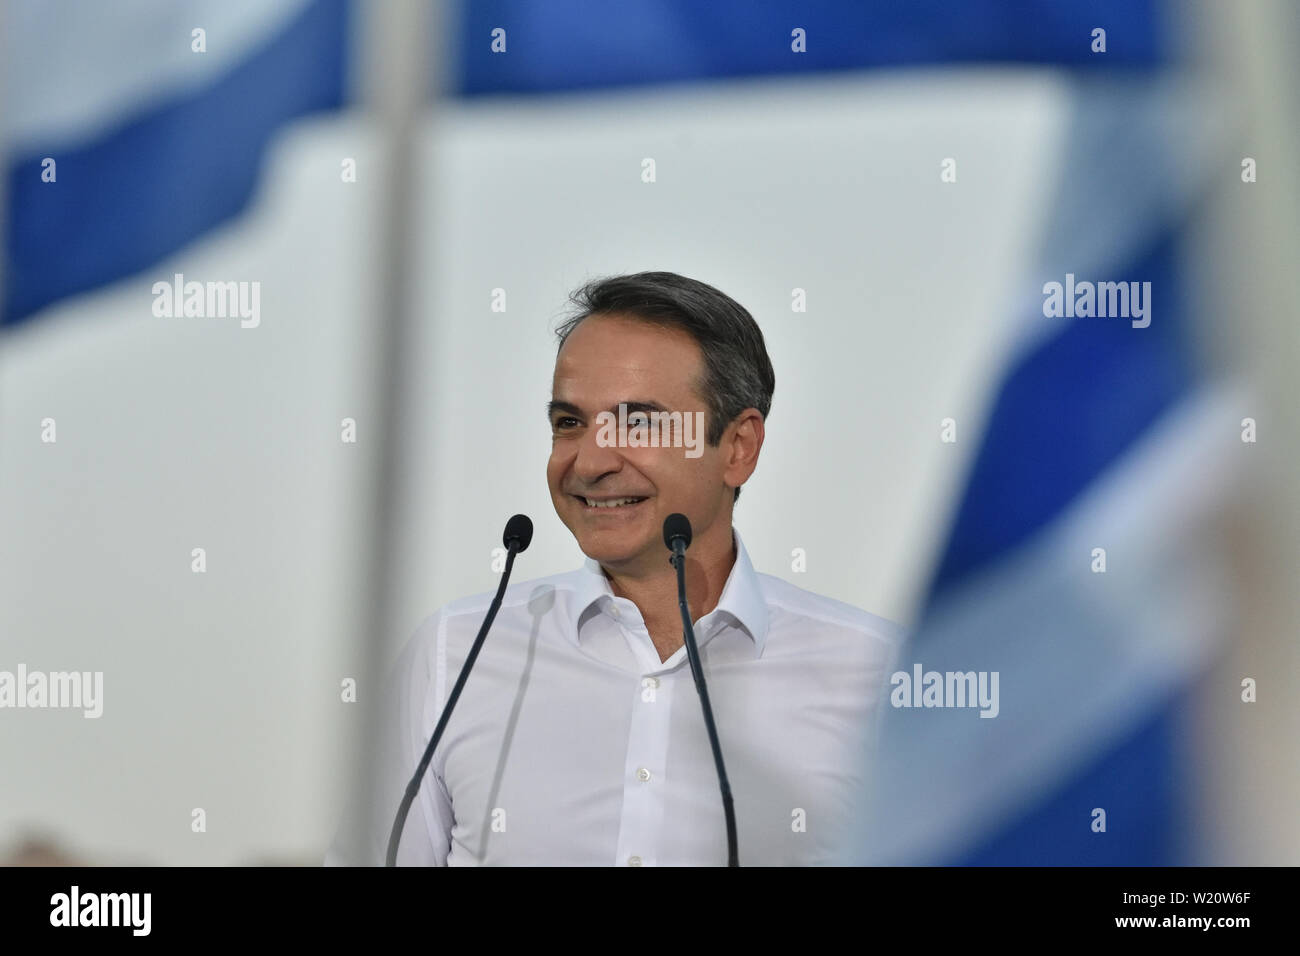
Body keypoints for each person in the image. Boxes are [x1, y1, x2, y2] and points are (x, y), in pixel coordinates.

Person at [327, 271, 902, 866]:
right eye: (569, 423)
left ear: (738, 447)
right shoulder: (454, 657)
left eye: (638, 422)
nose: (591, 460)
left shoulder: (875, 675)